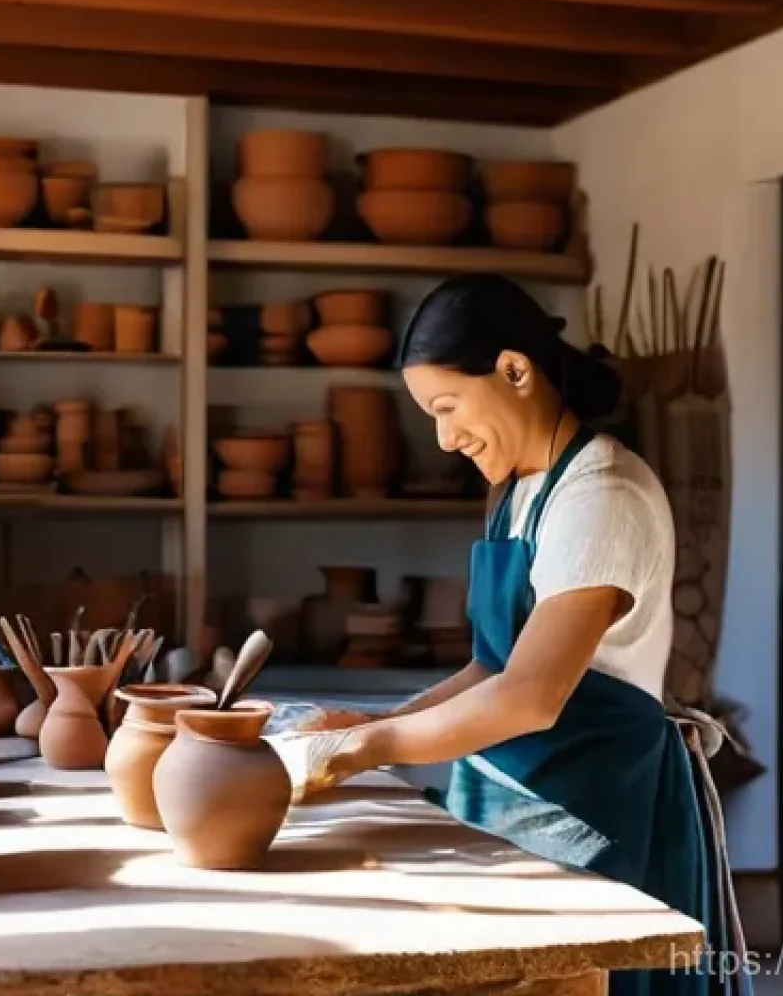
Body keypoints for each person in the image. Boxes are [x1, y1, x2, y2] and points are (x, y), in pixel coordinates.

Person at [296, 274, 751, 996]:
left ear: (515, 370)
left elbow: (531, 696)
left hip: (593, 816)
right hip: (508, 807)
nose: (444, 439)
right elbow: (491, 669)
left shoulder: (605, 494)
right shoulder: (517, 494)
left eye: (447, 408)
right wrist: (378, 722)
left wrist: (364, 748)